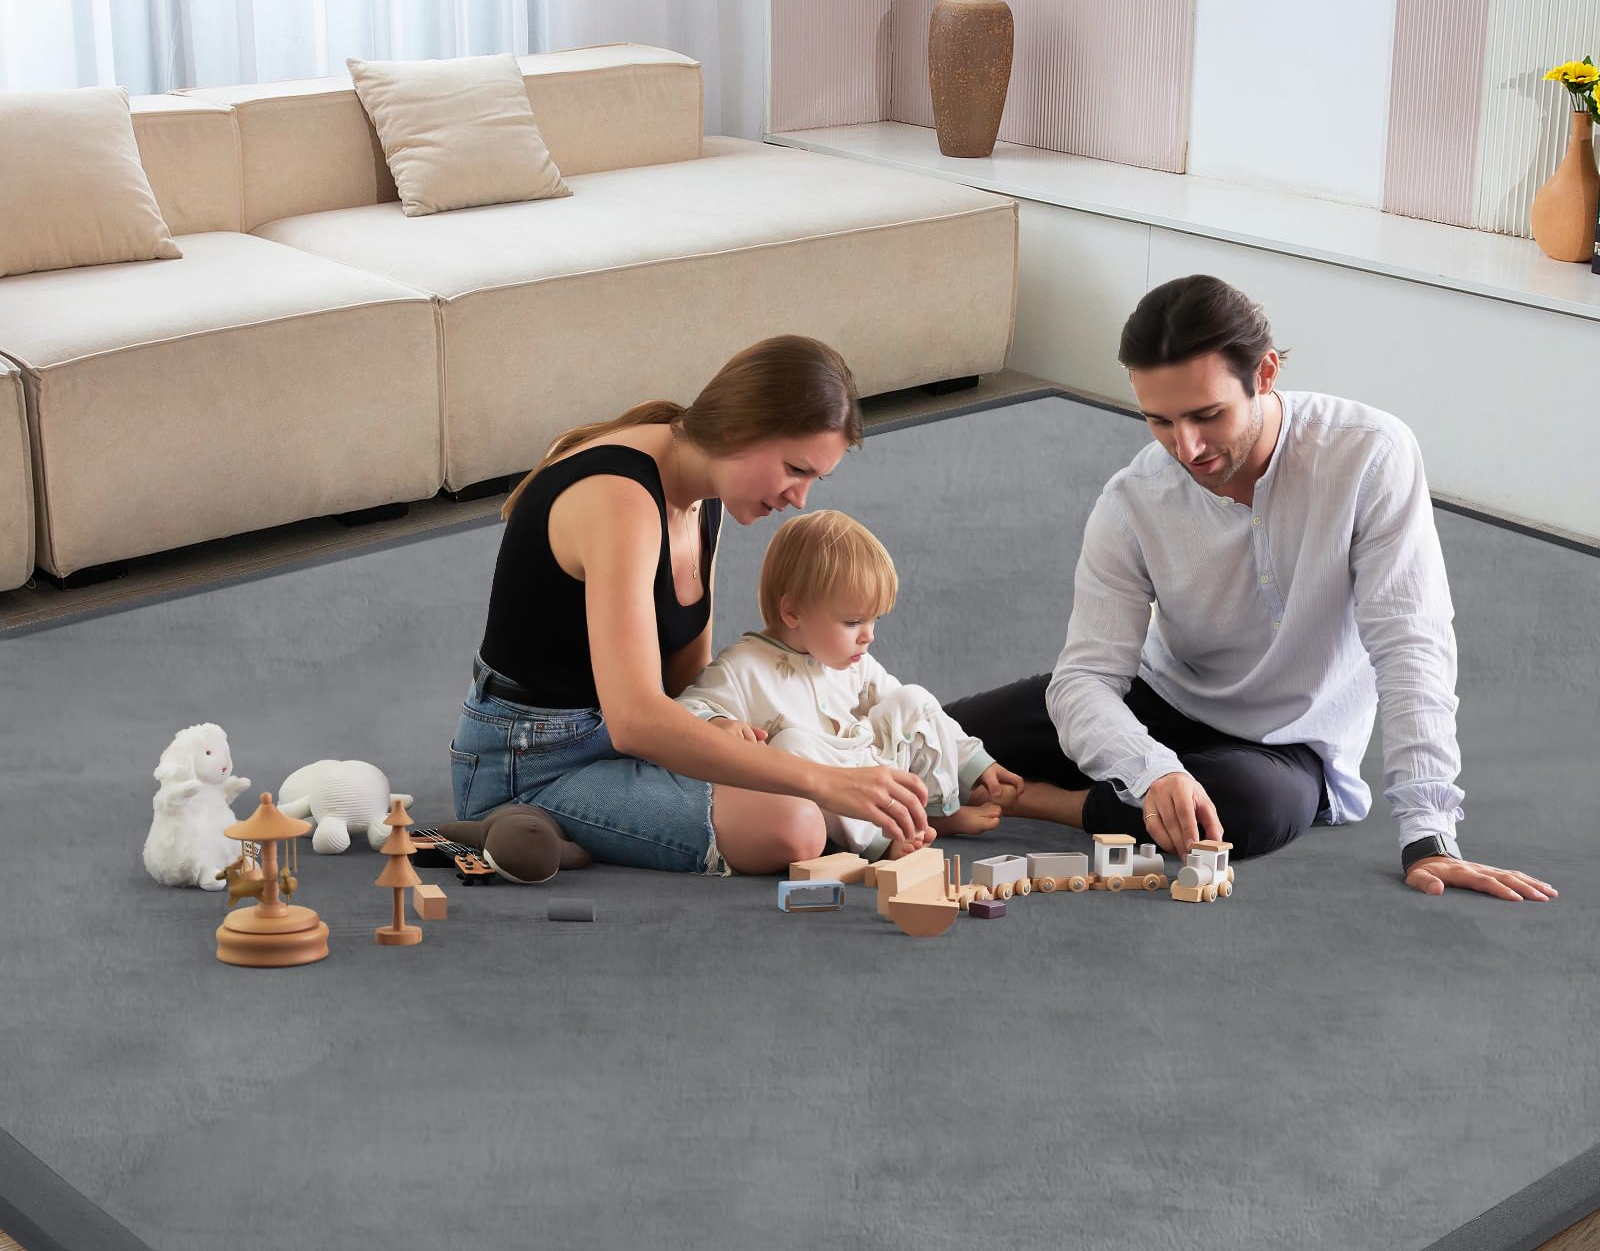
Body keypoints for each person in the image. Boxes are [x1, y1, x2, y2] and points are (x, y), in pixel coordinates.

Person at [947, 275, 1558, 904]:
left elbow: (1411, 644)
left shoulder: (1371, 456)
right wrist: (1150, 768)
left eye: (1207, 415)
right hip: (1160, 697)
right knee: (934, 736)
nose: (1186, 447)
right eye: (1160, 421)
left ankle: (1045, 802)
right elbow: (1085, 679)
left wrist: (1428, 834)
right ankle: (1129, 791)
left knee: (1239, 808)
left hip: (1285, 746)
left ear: (1264, 374)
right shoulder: (1132, 500)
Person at [451, 334, 930, 876]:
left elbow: (683, 686)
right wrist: (825, 780)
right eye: (795, 469)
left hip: (623, 743)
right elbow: (638, 721)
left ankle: (555, 835)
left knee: (802, 775)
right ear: (737, 431)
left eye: (814, 478)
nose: (800, 498)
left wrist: (724, 724)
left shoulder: (704, 495)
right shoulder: (621, 499)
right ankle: (514, 818)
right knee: (796, 824)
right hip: (532, 761)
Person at [674, 509, 1025, 861]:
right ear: (792, 612)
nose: (868, 636)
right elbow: (684, 713)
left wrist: (977, 764)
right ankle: (880, 840)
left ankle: (934, 810)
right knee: (792, 744)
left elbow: (925, 715)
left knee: (913, 698)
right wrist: (719, 723)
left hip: (871, 772)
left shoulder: (857, 663)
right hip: (823, 791)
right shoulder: (743, 667)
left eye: (873, 621)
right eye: (853, 622)